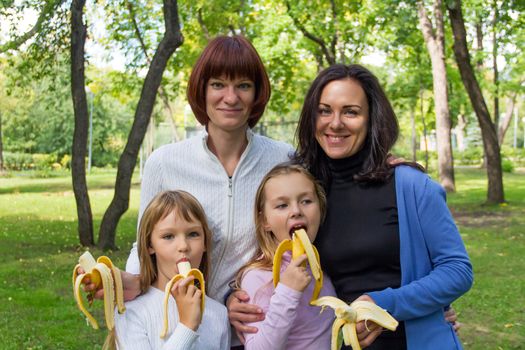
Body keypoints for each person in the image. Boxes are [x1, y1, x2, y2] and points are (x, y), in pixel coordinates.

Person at [228, 64, 472, 350]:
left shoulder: (409, 184)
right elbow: (271, 258)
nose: (335, 123)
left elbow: (457, 270)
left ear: (371, 119)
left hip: (413, 340)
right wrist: (235, 298)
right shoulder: (305, 190)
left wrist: (385, 304)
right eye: (324, 110)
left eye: (351, 112)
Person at [123, 34, 293, 306]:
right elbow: (143, 244)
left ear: (257, 93)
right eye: (218, 84)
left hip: (254, 328)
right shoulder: (164, 163)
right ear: (202, 90)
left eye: (244, 85)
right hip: (180, 323)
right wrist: (133, 279)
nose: (231, 97)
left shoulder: (284, 159)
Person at [234, 162, 336, 349]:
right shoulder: (258, 277)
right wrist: (288, 290)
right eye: (282, 205)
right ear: (265, 220)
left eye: (306, 201)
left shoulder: (323, 266)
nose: (296, 211)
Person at [111, 190, 230, 349]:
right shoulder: (131, 312)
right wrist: (187, 327)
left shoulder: (219, 314)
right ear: (149, 245)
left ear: (205, 243)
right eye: (168, 236)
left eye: (193, 234)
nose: (183, 246)